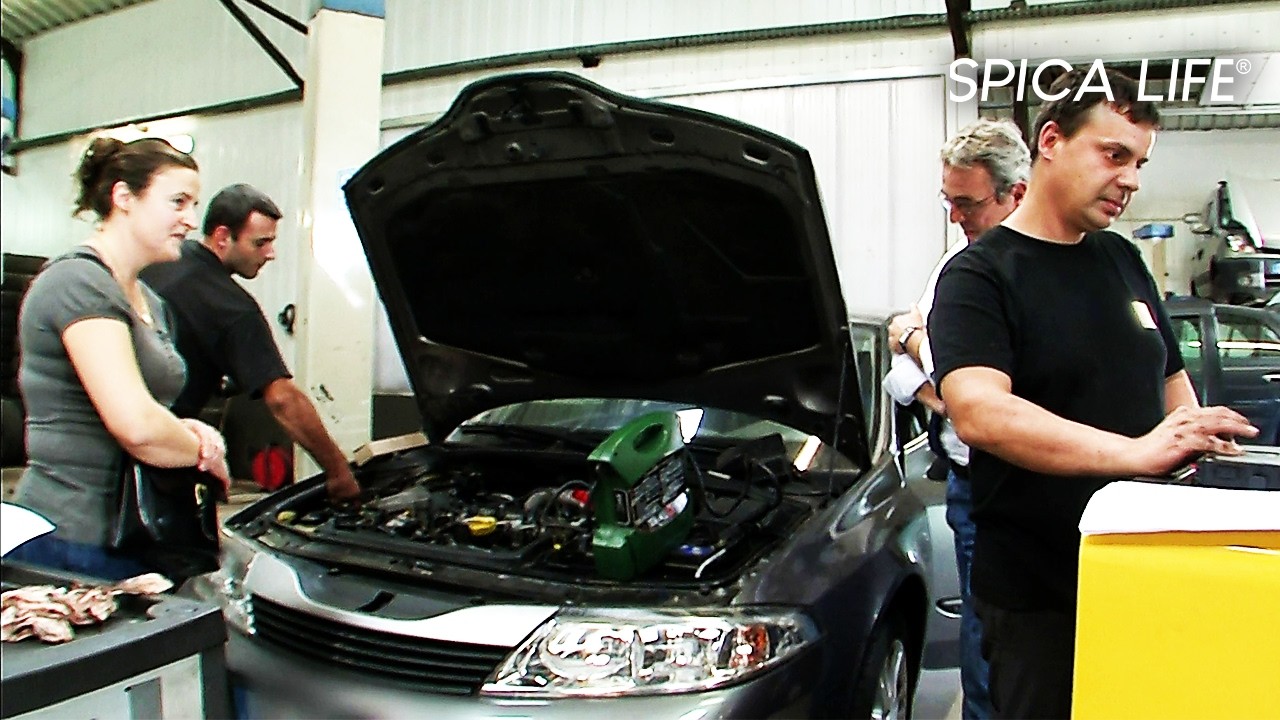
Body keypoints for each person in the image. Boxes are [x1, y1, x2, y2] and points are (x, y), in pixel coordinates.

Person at [928, 68, 1258, 718]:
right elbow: (980, 411)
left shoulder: (1120, 260)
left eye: (1139, 162)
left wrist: (1195, 437)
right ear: (1052, 140)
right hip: (1041, 593)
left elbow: (1166, 375)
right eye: (1113, 155)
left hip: (1145, 572)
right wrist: (1135, 455)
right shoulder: (979, 277)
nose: (1131, 179)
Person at [11, 137, 230, 580]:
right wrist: (207, 452)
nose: (190, 220)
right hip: (69, 539)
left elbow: (153, 407)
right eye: (178, 202)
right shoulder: (78, 283)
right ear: (124, 198)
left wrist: (189, 429)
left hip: (136, 533)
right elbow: (137, 426)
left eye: (194, 204)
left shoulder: (149, 300)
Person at [883, 118, 1029, 720]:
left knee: (1005, 640)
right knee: (984, 634)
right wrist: (940, 394)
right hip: (968, 479)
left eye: (966, 203)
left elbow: (932, 353)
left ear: (1014, 194)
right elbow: (901, 367)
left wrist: (919, 342)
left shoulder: (1027, 272)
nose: (955, 217)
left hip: (1015, 480)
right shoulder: (953, 264)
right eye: (948, 201)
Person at [142, 184, 360, 503]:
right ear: (222, 237)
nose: (270, 254)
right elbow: (283, 399)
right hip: (159, 452)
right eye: (261, 243)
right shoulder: (233, 309)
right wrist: (338, 471)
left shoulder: (164, 259)